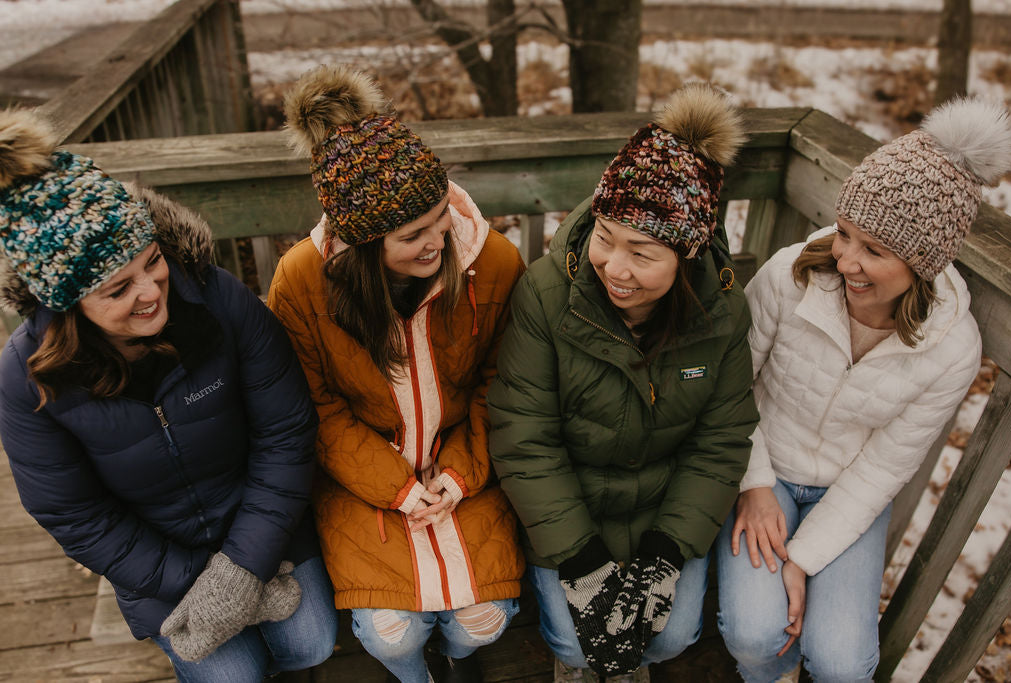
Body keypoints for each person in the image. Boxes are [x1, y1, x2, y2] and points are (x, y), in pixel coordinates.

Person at [0, 110, 338, 682]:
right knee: (231, 676)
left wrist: (244, 566)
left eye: (152, 261)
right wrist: (201, 583)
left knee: (311, 645)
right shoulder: (25, 377)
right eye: (116, 288)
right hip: (153, 558)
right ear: (67, 303)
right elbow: (74, 514)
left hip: (261, 520)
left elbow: (285, 433)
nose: (152, 291)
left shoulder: (218, 300)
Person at [714, 97, 1011, 683]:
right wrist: (752, 485)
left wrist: (802, 559)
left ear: (922, 262)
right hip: (764, 464)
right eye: (846, 233)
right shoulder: (789, 274)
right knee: (756, 637)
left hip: (846, 492)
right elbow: (730, 386)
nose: (847, 259)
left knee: (843, 665)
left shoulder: (951, 348)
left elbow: (883, 468)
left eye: (874, 250)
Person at [487, 83, 759, 683]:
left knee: (674, 635)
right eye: (606, 237)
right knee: (576, 644)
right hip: (570, 508)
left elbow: (720, 440)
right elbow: (523, 434)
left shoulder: (723, 315)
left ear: (686, 256)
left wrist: (664, 556)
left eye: (642, 252)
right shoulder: (547, 294)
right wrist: (582, 563)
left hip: (663, 511)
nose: (614, 267)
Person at [267, 64, 526, 683]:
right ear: (360, 245)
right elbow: (315, 406)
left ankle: (455, 660)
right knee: (390, 634)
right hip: (363, 477)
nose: (440, 239)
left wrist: (460, 476)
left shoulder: (492, 260)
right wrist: (399, 487)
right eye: (412, 234)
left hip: (468, 464)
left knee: (481, 620)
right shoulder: (302, 280)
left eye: (441, 215)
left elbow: (505, 383)